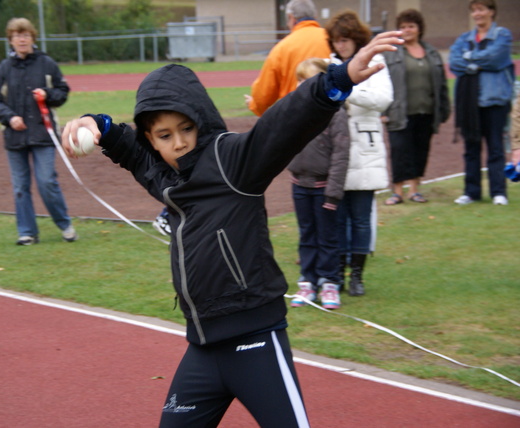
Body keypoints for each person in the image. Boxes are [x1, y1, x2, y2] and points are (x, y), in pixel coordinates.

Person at [62, 32, 403, 428]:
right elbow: (131, 152)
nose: (179, 143)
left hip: (255, 337)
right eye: (165, 136)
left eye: (186, 128)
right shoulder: (166, 178)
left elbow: (283, 123)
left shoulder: (233, 161)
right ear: (153, 141)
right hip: (203, 349)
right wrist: (98, 124)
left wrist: (337, 80)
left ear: (200, 122)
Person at [0, 17, 77, 245]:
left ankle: (64, 224)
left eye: (25, 35)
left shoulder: (47, 64)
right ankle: (27, 232)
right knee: (20, 187)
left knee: (47, 181)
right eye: (17, 35)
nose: (22, 39)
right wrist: (10, 118)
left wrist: (48, 94)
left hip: (43, 135)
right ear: (10, 40)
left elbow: (63, 91)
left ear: (32, 38)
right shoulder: (3, 69)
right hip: (14, 137)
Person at [326, 10, 393, 296]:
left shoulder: (376, 62)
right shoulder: (327, 64)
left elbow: (384, 99)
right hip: (335, 151)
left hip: (365, 148)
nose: (341, 45)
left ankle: (358, 275)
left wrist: (347, 89)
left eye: (345, 40)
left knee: (362, 217)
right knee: (338, 218)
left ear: (356, 39)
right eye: (336, 41)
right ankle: (338, 273)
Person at [288, 58, 350, 310]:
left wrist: (333, 193)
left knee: (327, 237)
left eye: (309, 79)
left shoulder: (336, 114)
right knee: (307, 235)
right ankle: (307, 281)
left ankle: (329, 283)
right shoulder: (293, 110)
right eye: (300, 80)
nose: (304, 85)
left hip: (325, 188)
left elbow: (341, 154)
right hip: (299, 186)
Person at [449, 0, 514, 206]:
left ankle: (498, 192)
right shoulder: (464, 39)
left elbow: (495, 58)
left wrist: (469, 59)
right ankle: (471, 192)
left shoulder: (502, 36)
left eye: (481, 9)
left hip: (495, 101)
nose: (477, 14)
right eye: (474, 10)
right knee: (471, 148)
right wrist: (476, 62)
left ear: (491, 12)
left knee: (495, 147)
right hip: (469, 103)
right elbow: (454, 63)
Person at [383, 9, 451, 205]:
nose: (407, 30)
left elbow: (442, 84)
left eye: (411, 26)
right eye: (403, 27)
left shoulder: (431, 53)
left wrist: (444, 109)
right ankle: (397, 192)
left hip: (426, 112)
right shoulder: (392, 53)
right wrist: (383, 111)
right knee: (399, 150)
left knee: (420, 151)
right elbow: (383, 82)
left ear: (419, 29)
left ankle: (414, 190)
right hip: (399, 112)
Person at [245, 0, 331, 116]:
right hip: (329, 111)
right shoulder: (332, 40)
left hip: (295, 115)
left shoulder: (282, 48)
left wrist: (253, 105)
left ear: (291, 18)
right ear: (314, 16)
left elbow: (263, 95)